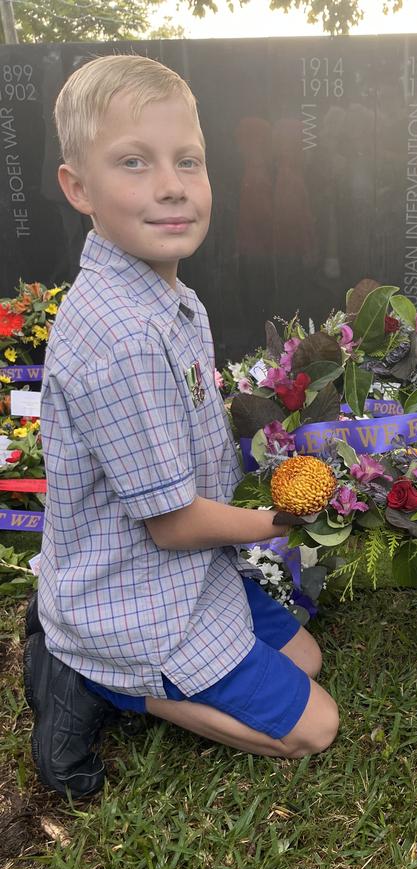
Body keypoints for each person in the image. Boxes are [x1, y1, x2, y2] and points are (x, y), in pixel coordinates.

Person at [25, 54, 339, 799]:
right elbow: (168, 528)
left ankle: (103, 656)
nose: (171, 185)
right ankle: (106, 679)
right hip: (136, 590)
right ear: (78, 188)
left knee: (308, 660)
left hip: (193, 573)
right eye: (133, 162)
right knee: (314, 727)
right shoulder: (124, 336)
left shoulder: (169, 298)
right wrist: (292, 518)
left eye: (188, 162)